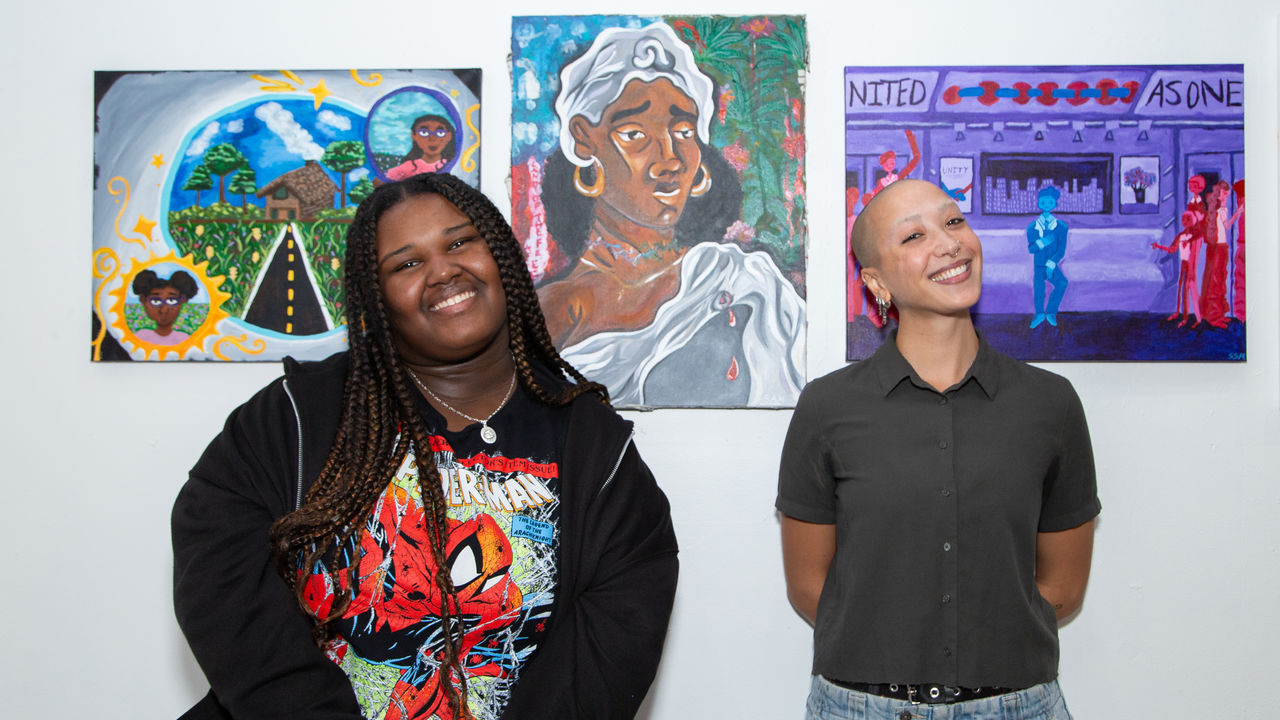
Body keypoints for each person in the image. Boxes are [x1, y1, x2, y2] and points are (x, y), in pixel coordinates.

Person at [172, 173, 678, 720]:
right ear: (377, 296)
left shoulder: (594, 449)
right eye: (406, 264)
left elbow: (607, 655)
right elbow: (224, 592)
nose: (442, 271)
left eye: (460, 242)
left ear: (501, 256)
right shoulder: (294, 418)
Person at [777, 179, 1099, 720]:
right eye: (914, 236)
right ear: (875, 281)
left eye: (953, 222)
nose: (949, 243)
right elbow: (811, 587)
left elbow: (1063, 585)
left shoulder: (1051, 404)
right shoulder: (827, 407)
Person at [536, 21, 804, 407]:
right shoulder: (552, 311)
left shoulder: (746, 282)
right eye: (634, 134)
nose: (670, 159)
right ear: (583, 137)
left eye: (682, 132)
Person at [1199, 179, 1242, 328]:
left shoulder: (1217, 209)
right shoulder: (1220, 209)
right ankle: (1213, 316)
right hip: (1219, 248)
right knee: (1216, 281)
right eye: (1226, 195)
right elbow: (1227, 226)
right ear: (1220, 194)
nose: (1227, 197)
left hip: (1219, 247)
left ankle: (1219, 314)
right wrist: (1238, 213)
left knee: (1218, 279)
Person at [1026, 186, 1069, 328]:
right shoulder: (1032, 227)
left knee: (1062, 283)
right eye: (1043, 202)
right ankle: (1039, 314)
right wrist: (1043, 242)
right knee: (1039, 288)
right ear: (1038, 203)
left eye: (1050, 203)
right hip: (1038, 265)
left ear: (1055, 204)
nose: (1046, 206)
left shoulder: (1061, 227)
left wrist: (1052, 263)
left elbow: (1061, 250)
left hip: (1052, 264)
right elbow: (1031, 249)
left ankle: (1051, 312)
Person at [1151, 211, 1202, 327]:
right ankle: (1181, 314)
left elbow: (1195, 250)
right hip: (1184, 264)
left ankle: (1198, 318)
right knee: (1181, 289)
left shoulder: (1196, 236)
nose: (1186, 222)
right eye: (1184, 219)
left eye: (1189, 219)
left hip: (1191, 265)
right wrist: (1159, 246)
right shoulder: (1181, 236)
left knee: (1191, 290)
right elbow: (1172, 249)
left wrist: (1193, 269)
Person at [132, 268, 197, 345]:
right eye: (155, 301)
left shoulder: (184, 339)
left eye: (171, 301)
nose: (163, 310)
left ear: (183, 300)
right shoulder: (140, 337)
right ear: (143, 299)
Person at [386, 114, 457, 181]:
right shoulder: (406, 168)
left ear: (449, 136)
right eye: (424, 132)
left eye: (440, 133)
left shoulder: (454, 165)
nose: (432, 138)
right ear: (414, 135)